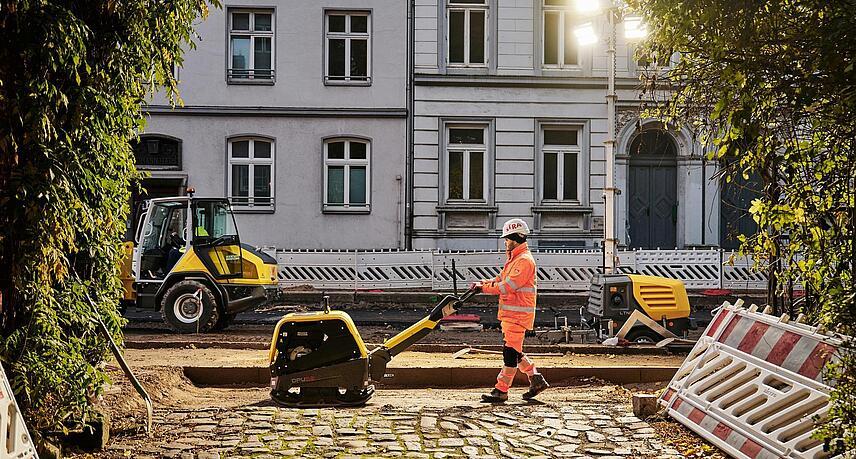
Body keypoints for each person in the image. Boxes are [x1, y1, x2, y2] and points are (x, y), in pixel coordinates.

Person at [472, 218, 549, 403]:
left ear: (515, 238)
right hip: (512, 314)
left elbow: (506, 287)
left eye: (507, 239)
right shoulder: (515, 260)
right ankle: (536, 379)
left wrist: (483, 289)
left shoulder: (524, 261)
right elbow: (499, 279)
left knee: (509, 354)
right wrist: (482, 283)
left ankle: (501, 390)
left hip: (518, 315)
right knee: (514, 351)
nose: (505, 242)